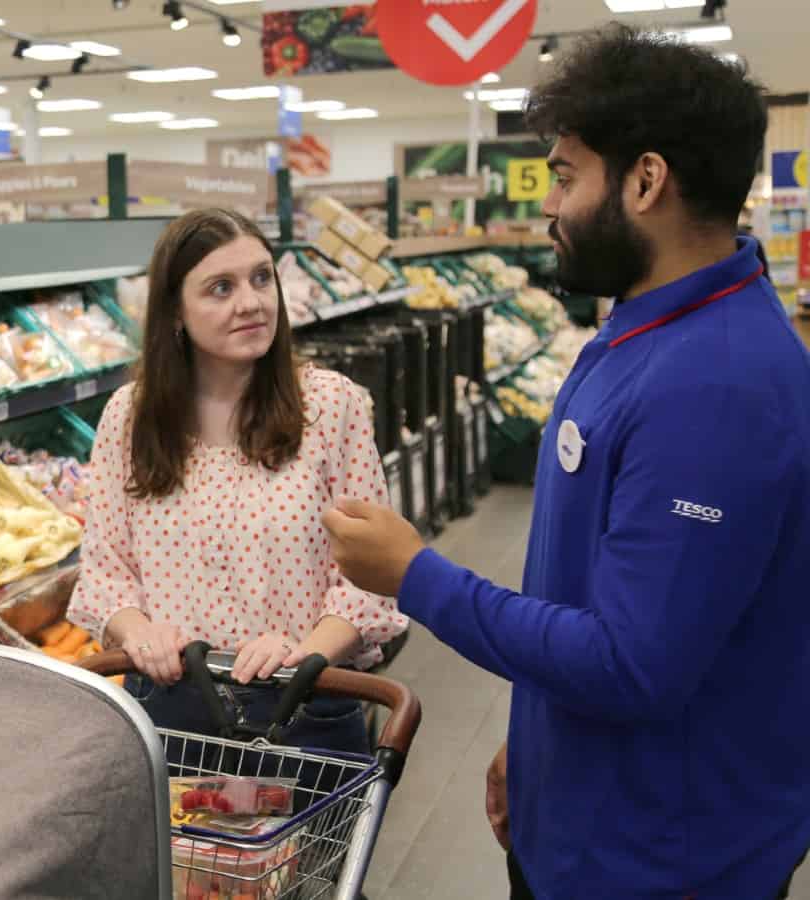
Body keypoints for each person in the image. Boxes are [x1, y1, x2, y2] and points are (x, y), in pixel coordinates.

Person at [321, 26, 810, 900]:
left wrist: (415, 575)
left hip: (663, 862)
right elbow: (597, 588)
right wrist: (541, 740)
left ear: (647, 180)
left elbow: (633, 663)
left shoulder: (719, 383)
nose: (548, 206)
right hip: (588, 808)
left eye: (564, 175)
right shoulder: (642, 324)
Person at [66, 207, 407, 761]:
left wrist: (305, 654)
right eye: (220, 288)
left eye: (261, 278)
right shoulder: (129, 418)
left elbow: (372, 575)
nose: (250, 302)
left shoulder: (329, 406)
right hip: (173, 711)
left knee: (305, 850)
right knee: (180, 852)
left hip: (305, 708)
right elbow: (107, 571)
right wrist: (137, 633)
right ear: (175, 311)